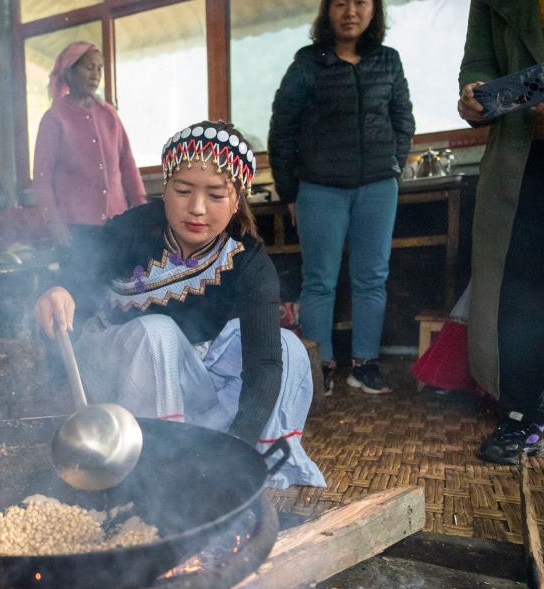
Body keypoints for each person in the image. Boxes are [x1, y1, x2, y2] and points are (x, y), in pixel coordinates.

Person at [33, 120, 326, 490]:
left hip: (194, 379)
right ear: (166, 189)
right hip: (120, 370)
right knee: (158, 333)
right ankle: (154, 461)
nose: (197, 209)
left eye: (216, 196)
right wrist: (58, 289)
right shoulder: (135, 228)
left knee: (287, 347)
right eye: (184, 190)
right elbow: (79, 268)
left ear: (236, 201)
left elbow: (264, 365)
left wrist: (235, 449)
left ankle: (250, 462)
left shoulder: (248, 260)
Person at [268, 0, 415, 396]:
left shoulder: (388, 60)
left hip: (378, 187)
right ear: (327, 11)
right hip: (320, 188)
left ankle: (364, 365)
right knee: (319, 282)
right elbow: (282, 129)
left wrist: (393, 166)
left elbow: (403, 120)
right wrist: (289, 193)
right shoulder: (307, 62)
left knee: (372, 279)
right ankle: (321, 368)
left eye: (361, 2)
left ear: (374, 11)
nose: (351, 11)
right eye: (340, 3)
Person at [457, 0, 544, 464]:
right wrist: (474, 98)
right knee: (522, 293)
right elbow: (478, 62)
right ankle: (523, 413)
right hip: (526, 157)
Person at [32, 41, 147, 316]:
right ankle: (80, 358)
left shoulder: (109, 115)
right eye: (88, 67)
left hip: (116, 225)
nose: (96, 74)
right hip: (76, 230)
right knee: (81, 298)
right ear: (69, 73)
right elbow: (42, 179)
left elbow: (128, 164)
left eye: (99, 68)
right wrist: (56, 224)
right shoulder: (54, 118)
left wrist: (142, 211)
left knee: (119, 296)